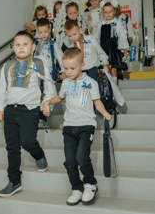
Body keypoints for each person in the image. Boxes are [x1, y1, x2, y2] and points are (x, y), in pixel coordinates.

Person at [41, 47, 111, 206]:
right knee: (70, 161)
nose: (69, 71)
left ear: (82, 65)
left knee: (81, 157)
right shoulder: (65, 83)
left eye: (72, 68)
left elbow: (97, 102)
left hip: (86, 125)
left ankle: (90, 184)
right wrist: (48, 101)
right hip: (69, 127)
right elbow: (60, 97)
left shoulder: (91, 82)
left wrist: (104, 112)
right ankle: (76, 188)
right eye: (66, 68)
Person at [0, 31, 56, 198]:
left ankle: (39, 155)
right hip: (10, 110)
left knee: (28, 141)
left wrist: (47, 102)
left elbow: (49, 86)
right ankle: (14, 181)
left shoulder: (39, 63)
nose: (21, 47)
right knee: (12, 147)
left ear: (33, 47)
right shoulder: (7, 66)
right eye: (18, 44)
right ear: (13, 47)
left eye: (25, 44)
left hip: (30, 109)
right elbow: (1, 88)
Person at [99, 0, 130, 84]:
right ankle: (108, 88)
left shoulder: (117, 23)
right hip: (104, 50)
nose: (108, 14)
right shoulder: (101, 24)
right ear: (103, 13)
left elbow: (122, 37)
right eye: (106, 12)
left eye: (110, 11)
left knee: (113, 70)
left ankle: (115, 89)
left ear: (114, 12)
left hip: (114, 50)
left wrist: (125, 50)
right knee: (105, 70)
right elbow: (97, 37)